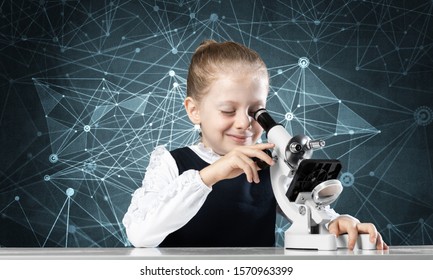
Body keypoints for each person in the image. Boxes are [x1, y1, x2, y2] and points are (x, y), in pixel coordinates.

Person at [122, 40, 388, 250]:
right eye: (227, 110)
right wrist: (211, 175)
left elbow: (308, 213)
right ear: (194, 111)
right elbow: (141, 235)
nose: (243, 124)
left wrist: (336, 224)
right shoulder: (172, 163)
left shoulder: (271, 165)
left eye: (255, 111)